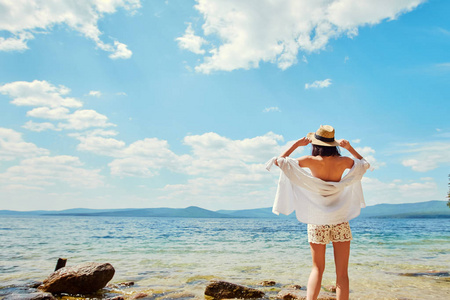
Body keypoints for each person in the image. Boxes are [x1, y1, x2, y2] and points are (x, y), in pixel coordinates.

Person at [267, 125, 369, 300]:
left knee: (317, 269)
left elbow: (280, 161)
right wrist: (350, 148)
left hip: (317, 221)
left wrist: (296, 145)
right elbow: (364, 164)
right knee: (342, 273)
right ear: (334, 144)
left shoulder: (309, 160)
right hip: (340, 220)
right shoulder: (344, 161)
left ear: (316, 144)